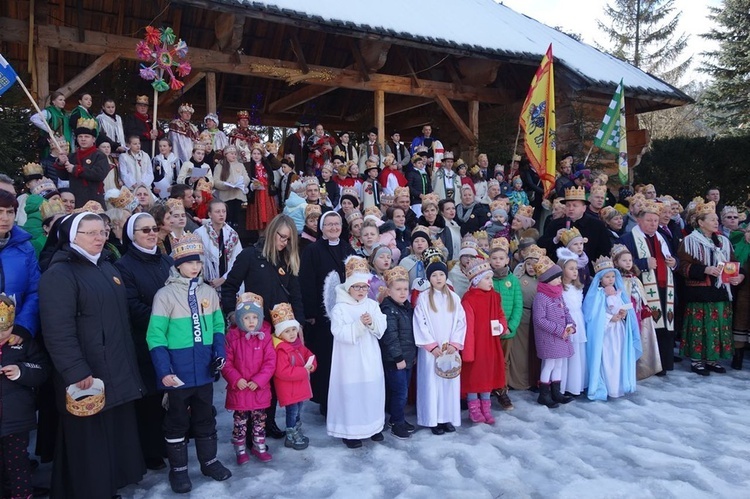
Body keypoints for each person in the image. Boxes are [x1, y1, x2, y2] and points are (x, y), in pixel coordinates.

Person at [39, 212, 146, 498]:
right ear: (72, 236)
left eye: (103, 231)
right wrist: (75, 370)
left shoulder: (105, 268)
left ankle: (106, 489)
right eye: (91, 233)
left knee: (107, 440)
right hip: (87, 374)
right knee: (88, 445)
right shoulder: (59, 275)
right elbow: (57, 331)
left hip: (113, 368)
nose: (100, 237)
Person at [147, 233, 231, 493]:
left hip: (204, 371)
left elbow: (218, 325)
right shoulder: (165, 295)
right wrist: (164, 370)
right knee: (177, 421)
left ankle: (209, 461)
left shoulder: (208, 292)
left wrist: (219, 353)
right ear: (178, 264)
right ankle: (179, 470)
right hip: (178, 373)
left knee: (206, 417)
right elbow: (155, 335)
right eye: (190, 262)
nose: (195, 266)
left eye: (198, 262)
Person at [221, 214, 304, 438]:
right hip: (254, 329)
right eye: (282, 237)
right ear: (271, 232)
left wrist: (299, 325)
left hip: (281, 330)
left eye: (289, 240)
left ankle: (265, 422)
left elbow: (295, 294)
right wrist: (232, 316)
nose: (285, 243)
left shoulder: (287, 260)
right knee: (252, 376)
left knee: (274, 377)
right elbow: (230, 287)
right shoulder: (249, 255)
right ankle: (246, 427)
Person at [113, 212, 173, 470]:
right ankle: (151, 450)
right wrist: (165, 320)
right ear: (131, 235)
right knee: (151, 398)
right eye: (144, 230)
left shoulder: (167, 261)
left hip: (174, 339)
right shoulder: (124, 266)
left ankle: (172, 441)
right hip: (145, 341)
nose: (151, 233)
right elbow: (131, 305)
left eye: (153, 229)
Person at [326, 256, 387, 448]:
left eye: (364, 287)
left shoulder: (372, 304)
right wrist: (359, 325)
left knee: (372, 390)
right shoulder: (340, 308)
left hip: (369, 356)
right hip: (349, 360)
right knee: (352, 394)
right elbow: (339, 332)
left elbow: (381, 326)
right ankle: (351, 432)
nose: (361, 291)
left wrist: (372, 323)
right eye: (356, 287)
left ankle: (373, 427)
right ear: (348, 287)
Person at [678, 200, 743, 375]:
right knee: (700, 326)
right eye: (712, 219)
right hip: (700, 292)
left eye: (716, 219)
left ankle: (712, 359)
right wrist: (705, 269)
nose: (716, 222)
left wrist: (739, 275)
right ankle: (697, 360)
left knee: (718, 326)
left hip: (721, 291)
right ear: (700, 222)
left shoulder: (723, 241)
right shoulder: (690, 241)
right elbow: (682, 267)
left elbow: (733, 262)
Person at [298, 211, 355, 415]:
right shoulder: (312, 250)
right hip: (322, 317)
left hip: (345, 314)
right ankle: (325, 400)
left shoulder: (347, 248)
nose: (333, 227)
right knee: (326, 357)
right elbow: (306, 282)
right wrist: (311, 312)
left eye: (336, 224)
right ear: (321, 227)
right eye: (329, 224)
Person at [618, 200, 677, 375]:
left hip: (665, 287)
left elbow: (673, 257)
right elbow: (620, 263)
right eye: (649, 220)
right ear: (639, 221)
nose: (653, 224)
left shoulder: (662, 237)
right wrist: (643, 263)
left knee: (666, 325)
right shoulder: (627, 239)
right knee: (648, 326)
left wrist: (675, 262)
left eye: (655, 221)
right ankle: (649, 365)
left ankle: (666, 363)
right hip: (642, 289)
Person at [0, 294, 48, 499]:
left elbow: (42, 369)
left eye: (6, 329)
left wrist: (21, 371)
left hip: (15, 421)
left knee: (17, 464)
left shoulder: (22, 343)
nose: (2, 335)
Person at [413, 249, 466, 435]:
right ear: (429, 278)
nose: (438, 278)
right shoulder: (424, 298)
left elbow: (461, 322)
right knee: (432, 384)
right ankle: (433, 419)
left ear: (446, 276)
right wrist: (431, 346)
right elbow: (420, 323)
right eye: (434, 275)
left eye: (441, 274)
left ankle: (447, 418)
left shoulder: (454, 298)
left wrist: (455, 344)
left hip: (450, 349)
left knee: (448, 384)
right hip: (432, 352)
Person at [222, 292, 276, 464]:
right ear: (239, 320)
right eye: (247, 318)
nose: (251, 321)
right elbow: (227, 363)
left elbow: (270, 362)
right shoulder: (232, 338)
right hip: (240, 389)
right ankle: (240, 449)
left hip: (258, 389)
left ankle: (259, 446)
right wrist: (236, 379)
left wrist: (259, 380)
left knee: (260, 420)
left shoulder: (265, 337)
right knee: (240, 422)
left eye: (255, 317)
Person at [583, 256, 642, 400]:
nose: (610, 280)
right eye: (607, 277)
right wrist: (610, 318)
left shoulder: (618, 293)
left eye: (612, 277)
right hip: (605, 333)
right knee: (607, 359)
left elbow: (625, 309)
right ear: (600, 279)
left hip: (619, 332)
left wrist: (623, 313)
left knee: (618, 357)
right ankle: (608, 387)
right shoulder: (597, 294)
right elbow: (592, 317)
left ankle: (618, 387)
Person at [461, 257, 508, 424]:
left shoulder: (495, 297)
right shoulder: (469, 300)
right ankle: (474, 409)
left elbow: (500, 315)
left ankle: (486, 408)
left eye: (491, 278)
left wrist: (502, 326)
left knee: (488, 374)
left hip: (490, 344)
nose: (491, 282)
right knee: (474, 376)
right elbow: (467, 328)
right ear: (476, 280)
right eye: (487, 278)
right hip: (476, 345)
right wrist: (468, 352)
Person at [611, 244, 663, 380]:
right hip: (627, 316)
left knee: (640, 338)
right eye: (624, 260)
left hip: (639, 314)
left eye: (630, 260)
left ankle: (640, 368)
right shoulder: (617, 279)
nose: (628, 263)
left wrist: (645, 308)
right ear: (616, 262)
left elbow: (641, 296)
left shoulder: (635, 278)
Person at [378, 266, 416, 439]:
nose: (402, 293)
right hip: (396, 360)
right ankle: (396, 421)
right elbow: (390, 336)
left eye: (405, 289)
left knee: (404, 390)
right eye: (398, 289)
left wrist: (412, 355)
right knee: (399, 392)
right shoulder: (388, 309)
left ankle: (398, 417)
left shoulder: (407, 308)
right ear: (389, 291)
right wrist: (398, 358)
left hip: (407, 358)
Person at [270, 302, 316, 450]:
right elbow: (282, 372)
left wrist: (312, 364)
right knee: (292, 412)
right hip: (289, 390)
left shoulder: (297, 345)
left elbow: (308, 354)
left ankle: (296, 430)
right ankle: (291, 435)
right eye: (287, 331)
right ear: (279, 333)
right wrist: (304, 371)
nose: (291, 334)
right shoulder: (281, 350)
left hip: (299, 387)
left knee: (298, 410)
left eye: (293, 330)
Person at [532, 255, 575, 408]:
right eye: (556, 278)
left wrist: (571, 325)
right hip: (549, 338)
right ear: (547, 279)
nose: (559, 281)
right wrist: (559, 330)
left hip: (561, 336)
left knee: (559, 364)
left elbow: (566, 311)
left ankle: (556, 392)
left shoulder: (558, 294)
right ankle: (544, 394)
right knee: (549, 365)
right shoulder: (541, 297)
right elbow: (539, 320)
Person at [539, 186, 612, 270]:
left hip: (587, 273)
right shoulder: (555, 224)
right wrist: (555, 239)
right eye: (568, 205)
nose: (571, 209)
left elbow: (604, 252)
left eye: (575, 205)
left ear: (584, 208)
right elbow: (541, 246)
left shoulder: (597, 225)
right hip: (560, 273)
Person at [489, 238, 522, 410]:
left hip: (507, 330)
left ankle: (502, 391)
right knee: (488, 360)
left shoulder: (513, 280)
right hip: (489, 331)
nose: (497, 261)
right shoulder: (487, 279)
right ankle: (486, 390)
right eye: (494, 258)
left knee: (503, 361)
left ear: (507, 260)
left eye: (501, 258)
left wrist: (511, 326)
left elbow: (518, 305)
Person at [53, 118, 109, 208]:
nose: (83, 139)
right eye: (80, 136)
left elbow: (99, 174)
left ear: (93, 139)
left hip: (94, 198)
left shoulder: (99, 155)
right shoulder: (72, 156)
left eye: (86, 136)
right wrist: (61, 163)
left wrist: (76, 169)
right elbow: (63, 176)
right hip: (76, 198)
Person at [556, 248, 588, 396]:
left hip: (578, 321)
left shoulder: (577, 288)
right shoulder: (559, 289)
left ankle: (576, 384)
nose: (575, 272)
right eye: (571, 269)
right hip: (565, 322)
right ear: (562, 270)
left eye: (576, 268)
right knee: (565, 355)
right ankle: (562, 386)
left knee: (578, 353)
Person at [194, 199, 242, 292]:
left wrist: (223, 278)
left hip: (228, 282)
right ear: (209, 214)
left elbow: (238, 260)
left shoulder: (232, 234)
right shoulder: (199, 233)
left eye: (224, 211)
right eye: (217, 211)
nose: (221, 214)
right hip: (207, 283)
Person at [30, 91, 72, 184]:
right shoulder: (48, 112)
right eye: (60, 100)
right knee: (50, 167)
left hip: (64, 146)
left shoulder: (65, 114)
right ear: (53, 101)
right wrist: (48, 130)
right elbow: (34, 118)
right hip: (52, 146)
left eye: (64, 100)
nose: (63, 102)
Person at [213, 145, 250, 230]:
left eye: (235, 154)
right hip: (226, 197)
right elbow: (216, 181)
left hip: (238, 196)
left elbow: (246, 178)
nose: (234, 156)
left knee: (237, 220)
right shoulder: (220, 166)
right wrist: (226, 184)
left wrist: (241, 183)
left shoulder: (240, 165)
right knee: (227, 218)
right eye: (231, 154)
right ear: (226, 154)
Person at [244, 143, 279, 233]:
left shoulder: (267, 164)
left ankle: (268, 237)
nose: (256, 156)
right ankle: (260, 237)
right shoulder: (247, 166)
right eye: (254, 153)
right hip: (256, 194)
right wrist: (252, 186)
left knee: (268, 216)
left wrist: (267, 153)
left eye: (258, 154)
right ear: (251, 155)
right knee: (259, 216)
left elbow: (278, 164)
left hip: (267, 193)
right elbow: (245, 180)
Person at [123, 95, 163, 159]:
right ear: (136, 106)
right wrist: (147, 135)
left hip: (153, 149)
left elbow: (162, 133)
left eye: (145, 106)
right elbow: (130, 132)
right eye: (140, 105)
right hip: (139, 149)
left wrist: (157, 133)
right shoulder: (131, 118)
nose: (143, 108)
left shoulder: (152, 119)